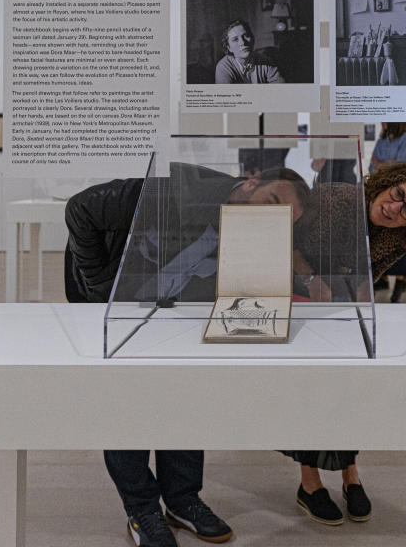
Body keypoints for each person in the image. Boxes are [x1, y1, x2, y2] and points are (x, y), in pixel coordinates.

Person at [64, 164, 309, 547]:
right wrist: (101, 287)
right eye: (272, 200)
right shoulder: (177, 190)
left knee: (187, 393)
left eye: (281, 216)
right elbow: (81, 208)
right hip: (116, 304)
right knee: (128, 401)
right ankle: (142, 508)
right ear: (251, 182)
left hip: (174, 308)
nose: (269, 216)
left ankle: (181, 500)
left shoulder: (252, 230)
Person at [283, 162, 406, 526]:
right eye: (398, 195)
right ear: (390, 183)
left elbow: (366, 277)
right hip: (298, 296)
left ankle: (350, 472)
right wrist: (309, 276)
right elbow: (283, 237)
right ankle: (309, 482)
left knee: (348, 389)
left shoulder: (395, 238)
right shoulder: (337, 201)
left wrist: (355, 297)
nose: (394, 208)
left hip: (340, 306)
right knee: (310, 389)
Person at [369, 123, 406, 302]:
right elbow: (372, 166)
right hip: (383, 195)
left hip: (400, 197)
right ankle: (382, 277)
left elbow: (403, 169)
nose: (383, 123)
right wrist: (388, 164)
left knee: (400, 239)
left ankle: (401, 280)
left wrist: (383, 165)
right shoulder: (382, 141)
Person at [214, 19, 285, 84]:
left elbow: (280, 89)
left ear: (253, 39)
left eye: (246, 36)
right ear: (229, 47)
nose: (243, 42)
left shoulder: (265, 61)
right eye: (235, 39)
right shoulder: (223, 68)